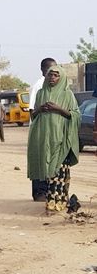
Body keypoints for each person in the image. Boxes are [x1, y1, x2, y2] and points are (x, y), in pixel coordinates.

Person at [27, 65, 81, 213]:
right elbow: (33, 115)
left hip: (61, 139)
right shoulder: (40, 93)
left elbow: (75, 115)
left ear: (61, 77)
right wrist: (40, 109)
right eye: (50, 75)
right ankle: (50, 204)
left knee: (59, 172)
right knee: (48, 171)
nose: (52, 78)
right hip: (45, 139)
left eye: (56, 75)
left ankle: (61, 202)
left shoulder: (68, 95)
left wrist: (58, 109)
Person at [28, 57, 56, 201]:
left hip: (52, 132)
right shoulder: (38, 86)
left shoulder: (55, 87)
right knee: (39, 160)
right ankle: (38, 192)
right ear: (43, 70)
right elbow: (32, 110)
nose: (53, 73)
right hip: (39, 130)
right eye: (50, 70)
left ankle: (49, 191)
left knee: (50, 161)